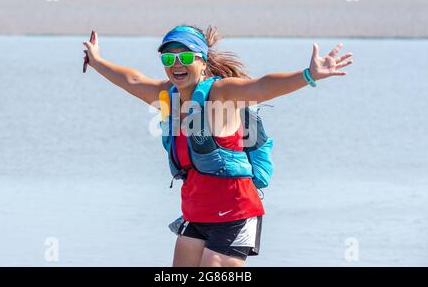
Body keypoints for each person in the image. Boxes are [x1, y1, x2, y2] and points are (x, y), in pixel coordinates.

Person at [82, 25, 353, 267]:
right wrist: (96, 61)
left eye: (186, 57)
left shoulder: (220, 94)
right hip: (196, 212)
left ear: (202, 62)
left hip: (235, 212)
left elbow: (261, 86)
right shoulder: (168, 96)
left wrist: (308, 75)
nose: (177, 63)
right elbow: (133, 80)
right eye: (169, 58)